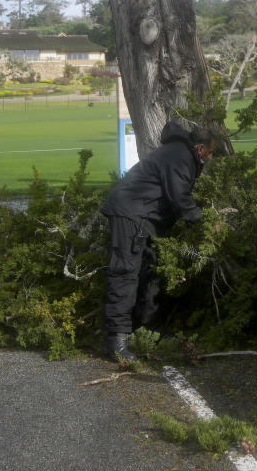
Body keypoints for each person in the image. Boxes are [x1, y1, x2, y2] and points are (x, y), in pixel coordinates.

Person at [100, 121, 215, 361]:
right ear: (200, 148)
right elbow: (179, 197)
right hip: (132, 214)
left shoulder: (179, 153)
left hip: (145, 218)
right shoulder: (180, 156)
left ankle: (149, 327)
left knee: (150, 269)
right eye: (209, 152)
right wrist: (202, 220)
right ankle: (116, 341)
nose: (209, 157)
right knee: (125, 272)